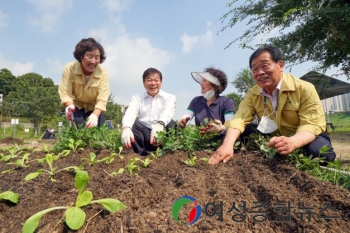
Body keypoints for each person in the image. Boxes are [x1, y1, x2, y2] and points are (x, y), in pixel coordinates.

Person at [209, 45, 336, 164]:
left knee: (318, 151)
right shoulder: (252, 94)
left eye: (265, 66)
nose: (260, 73)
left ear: (280, 65)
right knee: (231, 134)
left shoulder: (304, 88)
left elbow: (312, 125)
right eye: (255, 69)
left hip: (304, 136)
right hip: (273, 136)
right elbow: (239, 119)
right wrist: (227, 145)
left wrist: (292, 142)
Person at [121, 67, 176, 156]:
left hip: (162, 134)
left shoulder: (169, 97)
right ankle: (141, 154)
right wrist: (126, 128)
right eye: (149, 80)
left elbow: (168, 112)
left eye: (156, 80)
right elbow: (131, 112)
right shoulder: (137, 98)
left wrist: (160, 124)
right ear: (144, 83)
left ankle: (168, 153)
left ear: (161, 82)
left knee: (172, 124)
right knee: (134, 125)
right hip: (145, 134)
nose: (153, 83)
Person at [58, 37, 109, 128]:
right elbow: (65, 92)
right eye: (89, 56)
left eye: (97, 57)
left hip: (94, 106)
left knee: (96, 127)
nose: (93, 61)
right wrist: (69, 106)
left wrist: (95, 115)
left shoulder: (103, 74)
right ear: (81, 56)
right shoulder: (69, 69)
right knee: (79, 123)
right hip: (76, 104)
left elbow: (102, 99)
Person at [178, 67, 235, 142]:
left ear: (215, 85)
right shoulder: (196, 101)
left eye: (205, 81)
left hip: (220, 139)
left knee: (233, 140)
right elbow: (187, 115)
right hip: (200, 140)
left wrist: (220, 128)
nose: (201, 83)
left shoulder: (227, 102)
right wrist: (183, 121)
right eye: (202, 81)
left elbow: (230, 125)